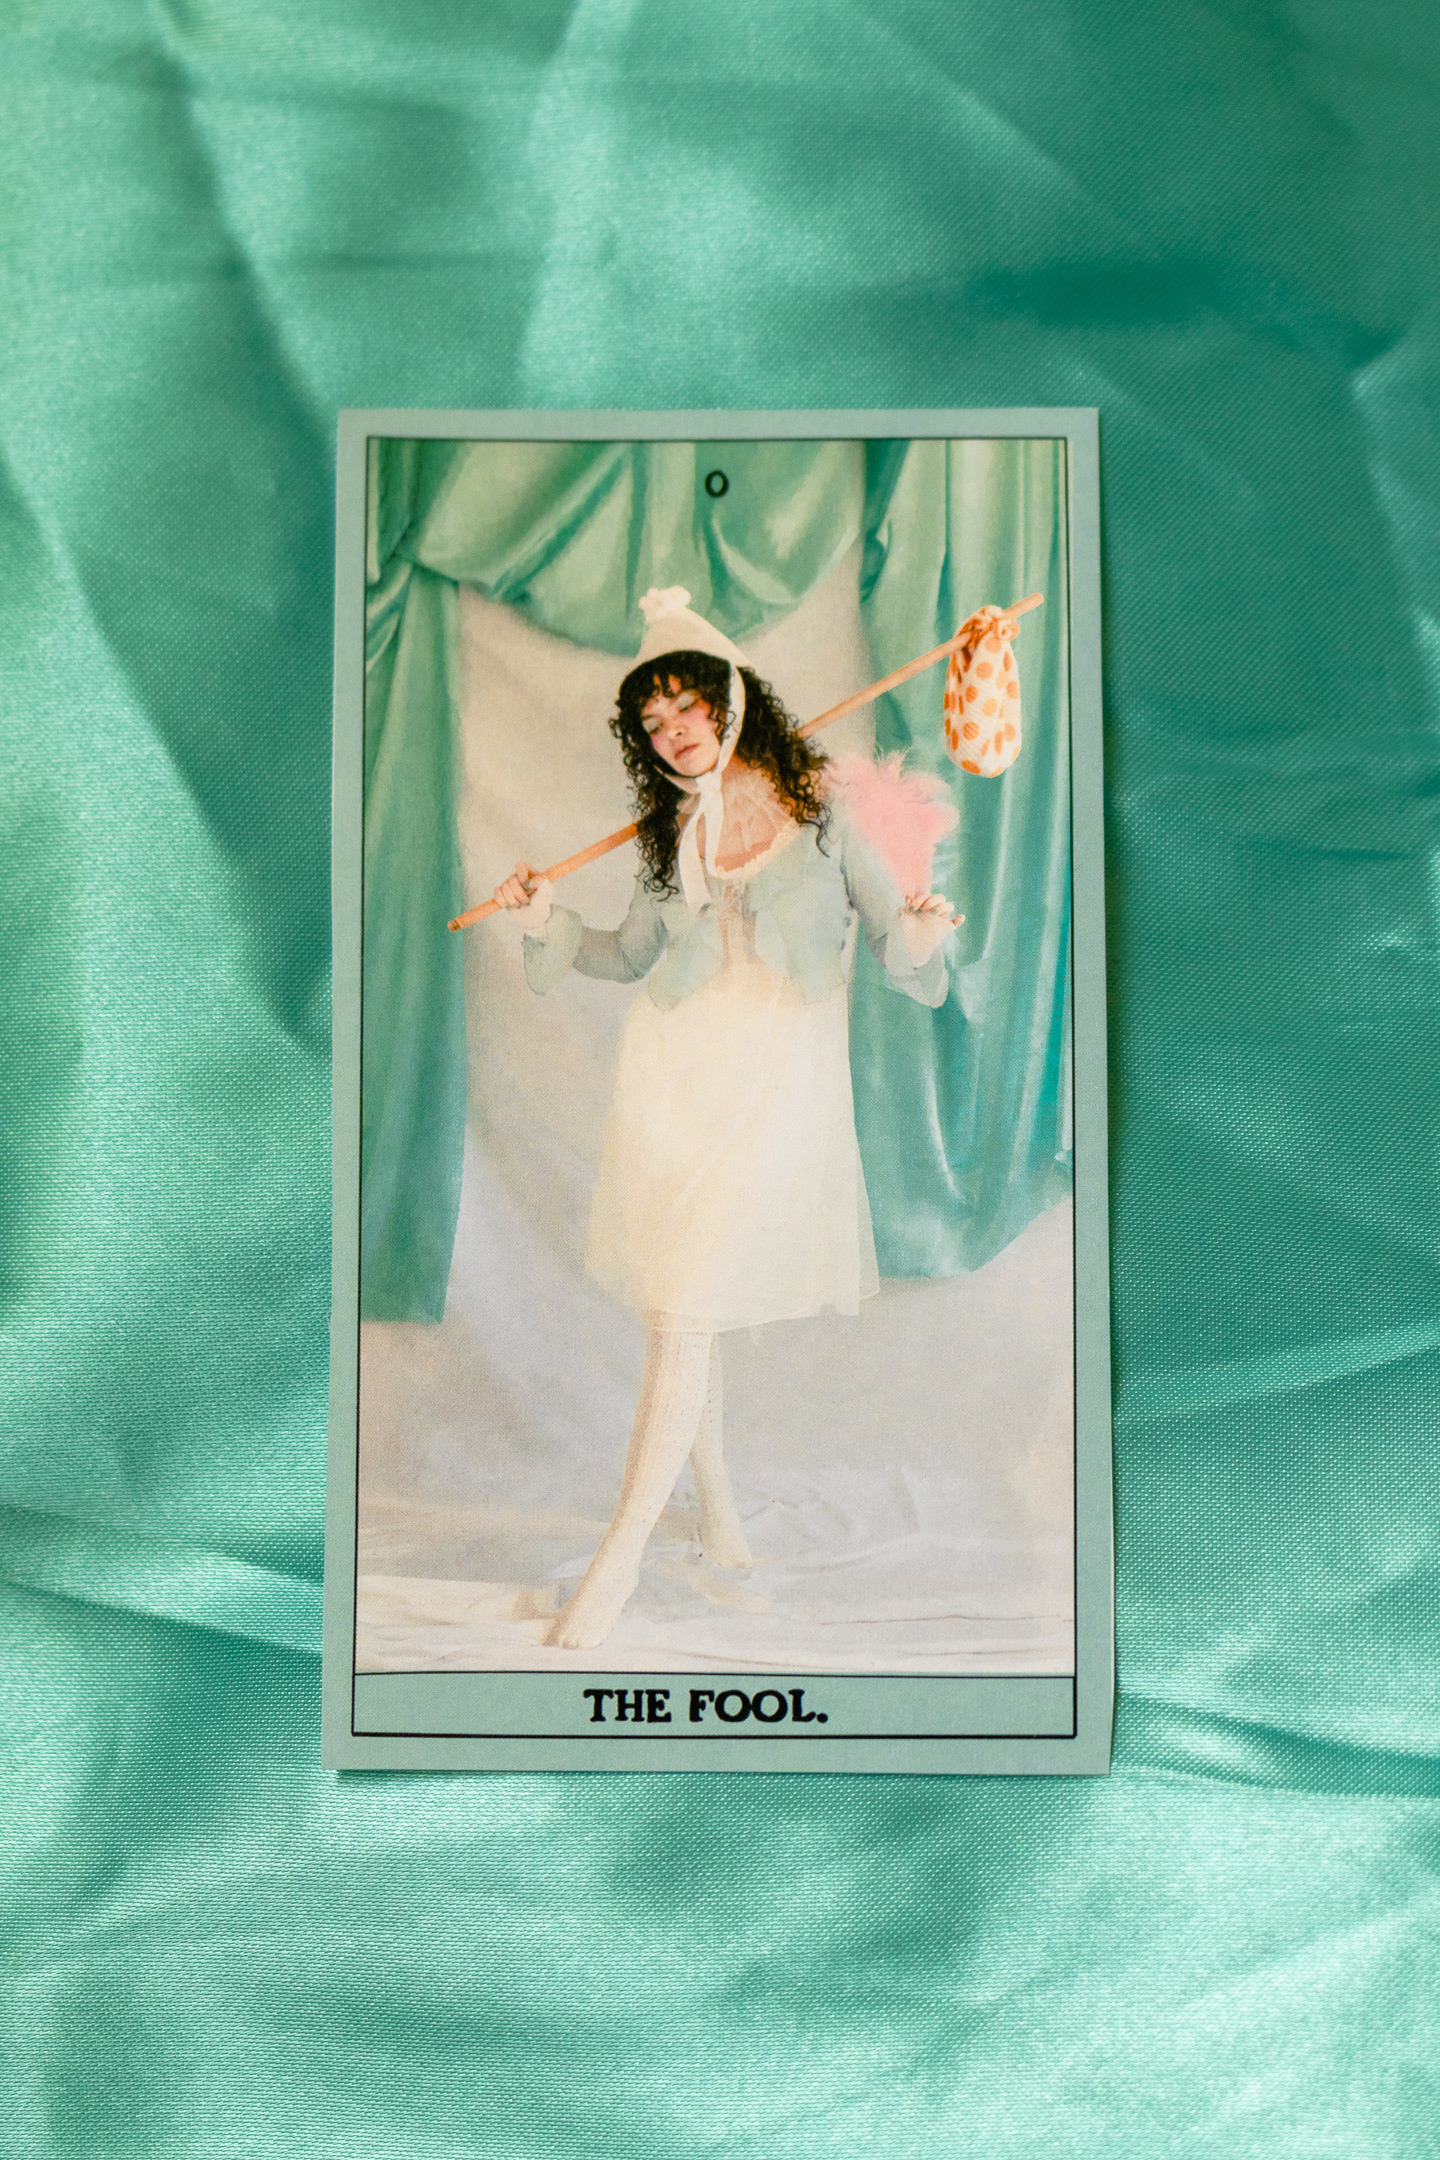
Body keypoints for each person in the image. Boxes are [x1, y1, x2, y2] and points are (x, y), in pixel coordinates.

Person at [491, 587, 959, 1649]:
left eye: (685, 709)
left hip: (776, 1091)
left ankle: (615, 1564)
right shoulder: (671, 836)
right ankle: (723, 1523)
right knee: (681, 1308)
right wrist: (547, 917)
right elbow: (626, 957)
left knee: (686, 1311)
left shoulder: (823, 816)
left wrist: (925, 935)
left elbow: (894, 944)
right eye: (652, 723)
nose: (672, 734)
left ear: (730, 701)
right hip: (673, 1082)